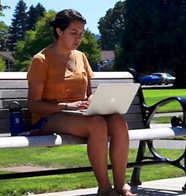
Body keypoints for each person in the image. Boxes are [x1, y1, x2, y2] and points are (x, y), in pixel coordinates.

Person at [27, 9, 135, 196]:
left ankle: (120, 187)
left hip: (79, 115)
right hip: (49, 116)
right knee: (97, 124)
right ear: (59, 32)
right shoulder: (41, 60)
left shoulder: (81, 57)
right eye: (73, 32)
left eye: (82, 33)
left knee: (118, 121)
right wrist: (67, 106)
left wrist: (95, 102)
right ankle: (104, 188)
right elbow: (34, 105)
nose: (79, 38)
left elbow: (88, 94)